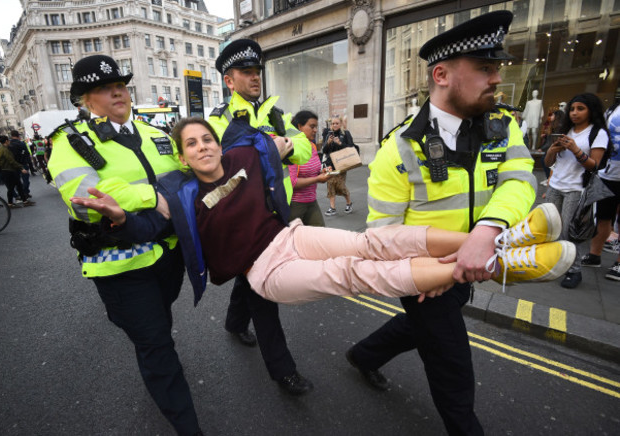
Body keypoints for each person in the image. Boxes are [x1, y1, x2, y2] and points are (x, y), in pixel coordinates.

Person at [70, 117, 573, 305]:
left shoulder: (244, 155)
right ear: (182, 156)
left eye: (207, 139)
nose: (203, 148)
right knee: (351, 272)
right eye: (192, 144)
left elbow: (289, 145)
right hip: (265, 271)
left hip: (289, 235)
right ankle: (497, 262)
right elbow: (145, 223)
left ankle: (500, 244)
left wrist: (291, 140)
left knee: (370, 242)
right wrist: (117, 216)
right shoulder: (175, 192)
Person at [344, 11, 539, 436]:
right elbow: (382, 236)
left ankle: (363, 354)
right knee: (451, 362)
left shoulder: (503, 126)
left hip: (473, 262)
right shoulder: (399, 148)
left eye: (497, 69)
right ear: (443, 74)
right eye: (486, 68)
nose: (496, 78)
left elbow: (521, 182)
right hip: (422, 276)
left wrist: (485, 234)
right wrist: (424, 274)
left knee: (420, 330)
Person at [47, 54, 202, 436]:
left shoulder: (155, 134)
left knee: (159, 324)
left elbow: (185, 180)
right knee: (155, 343)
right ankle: (189, 426)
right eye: (102, 87)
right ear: (85, 99)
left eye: (120, 84)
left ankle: (155, 357)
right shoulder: (69, 142)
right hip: (121, 267)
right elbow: (87, 199)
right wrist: (149, 194)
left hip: (168, 256)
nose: (116, 91)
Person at [207, 39, 314, 395]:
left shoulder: (274, 115)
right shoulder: (218, 120)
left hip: (275, 215)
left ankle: (234, 322)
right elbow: (215, 166)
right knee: (265, 296)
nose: (255, 78)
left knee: (249, 279)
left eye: (257, 72)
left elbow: (302, 149)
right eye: (246, 72)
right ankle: (283, 371)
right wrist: (273, 147)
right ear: (229, 81)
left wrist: (277, 147)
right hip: (244, 217)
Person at [544, 93, 611, 289]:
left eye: (580, 109)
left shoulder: (597, 133)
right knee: (551, 228)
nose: (574, 113)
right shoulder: (566, 131)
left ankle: (574, 270)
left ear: (591, 110)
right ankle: (557, 262)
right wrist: (551, 151)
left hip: (576, 189)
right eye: (572, 109)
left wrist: (575, 149)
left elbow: (595, 166)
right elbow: (549, 163)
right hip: (556, 185)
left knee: (569, 232)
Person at [580, 98, 620, 280]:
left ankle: (618, 264)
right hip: (607, 174)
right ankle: (594, 255)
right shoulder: (613, 110)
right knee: (602, 218)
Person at [288, 110, 331, 226]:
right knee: (293, 241)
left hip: (311, 201)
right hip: (294, 204)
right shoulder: (290, 147)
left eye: (316, 127)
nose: (315, 130)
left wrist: (322, 172)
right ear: (299, 126)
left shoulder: (311, 145)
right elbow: (292, 182)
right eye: (312, 126)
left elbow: (313, 171)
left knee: (319, 236)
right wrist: (317, 179)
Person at [321, 115, 357, 216]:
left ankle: (349, 203)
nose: (335, 125)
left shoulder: (345, 133)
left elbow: (351, 148)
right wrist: (328, 143)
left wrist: (340, 143)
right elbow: (324, 151)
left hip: (342, 163)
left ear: (340, 124)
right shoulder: (328, 135)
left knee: (340, 185)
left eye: (337, 123)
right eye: (333, 123)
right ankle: (332, 208)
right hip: (330, 164)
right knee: (330, 184)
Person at [0, 135, 33, 208]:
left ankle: (24, 201)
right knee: (11, 188)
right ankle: (10, 203)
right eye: (8, 141)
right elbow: (11, 160)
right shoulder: (4, 149)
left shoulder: (2, 148)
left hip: (9, 170)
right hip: (8, 170)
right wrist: (21, 168)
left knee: (19, 185)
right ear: (6, 141)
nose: (9, 142)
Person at [9, 130, 34, 199]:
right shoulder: (21, 143)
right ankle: (25, 192)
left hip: (14, 164)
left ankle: (21, 192)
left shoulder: (9, 144)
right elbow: (26, 153)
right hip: (23, 163)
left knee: (17, 180)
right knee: (25, 179)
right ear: (18, 136)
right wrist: (29, 162)